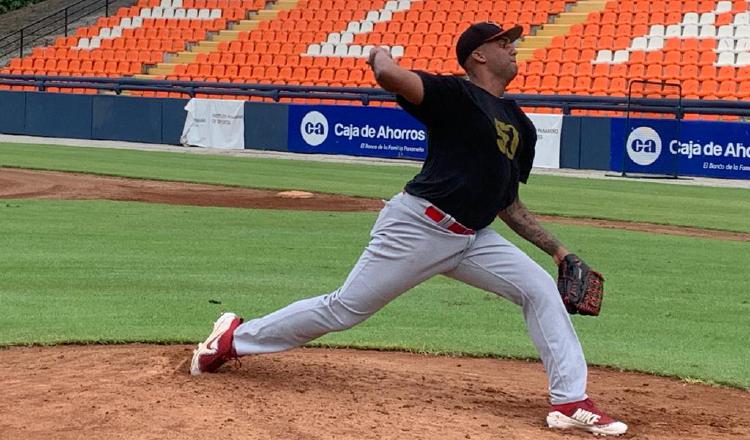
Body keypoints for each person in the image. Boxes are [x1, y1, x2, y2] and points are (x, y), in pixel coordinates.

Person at [190, 22, 628, 437]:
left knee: (539, 289)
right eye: (503, 42)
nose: (513, 47)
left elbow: (509, 205)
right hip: (418, 226)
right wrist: (379, 55)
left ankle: (569, 403)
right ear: (478, 55)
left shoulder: (520, 124)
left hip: (473, 238)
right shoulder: (454, 94)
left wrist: (559, 252)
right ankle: (233, 339)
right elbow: (391, 77)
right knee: (344, 309)